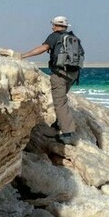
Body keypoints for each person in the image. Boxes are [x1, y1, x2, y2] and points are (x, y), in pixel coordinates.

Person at [19, 16, 82, 144]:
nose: (52, 27)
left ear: (57, 25)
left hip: (60, 74)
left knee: (60, 102)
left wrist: (23, 56)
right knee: (62, 98)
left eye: (53, 25)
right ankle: (59, 123)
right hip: (73, 73)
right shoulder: (73, 37)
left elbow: (42, 49)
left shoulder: (55, 36)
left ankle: (67, 134)